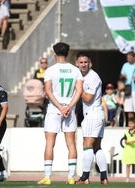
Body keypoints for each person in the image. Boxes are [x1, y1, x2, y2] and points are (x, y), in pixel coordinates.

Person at [37, 42, 83, 185]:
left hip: (54, 110)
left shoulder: (50, 70)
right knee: (71, 144)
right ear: (68, 53)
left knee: (50, 143)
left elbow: (48, 91)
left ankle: (47, 177)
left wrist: (60, 107)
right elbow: (79, 91)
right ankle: (70, 177)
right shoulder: (75, 70)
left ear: (54, 54)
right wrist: (68, 106)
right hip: (69, 110)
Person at [75, 52, 109, 185]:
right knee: (96, 147)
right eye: (81, 62)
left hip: (93, 113)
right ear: (77, 63)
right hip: (96, 114)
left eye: (85, 62)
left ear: (90, 64)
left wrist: (78, 89)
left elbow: (88, 98)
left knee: (87, 144)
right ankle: (104, 177)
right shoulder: (83, 76)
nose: (83, 64)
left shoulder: (92, 77)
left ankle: (85, 177)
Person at [121, 117, 135, 183]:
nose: (130, 125)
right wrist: (129, 142)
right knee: (128, 165)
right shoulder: (126, 132)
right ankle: (127, 178)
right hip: (128, 151)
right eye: (129, 124)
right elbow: (125, 141)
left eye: (131, 124)